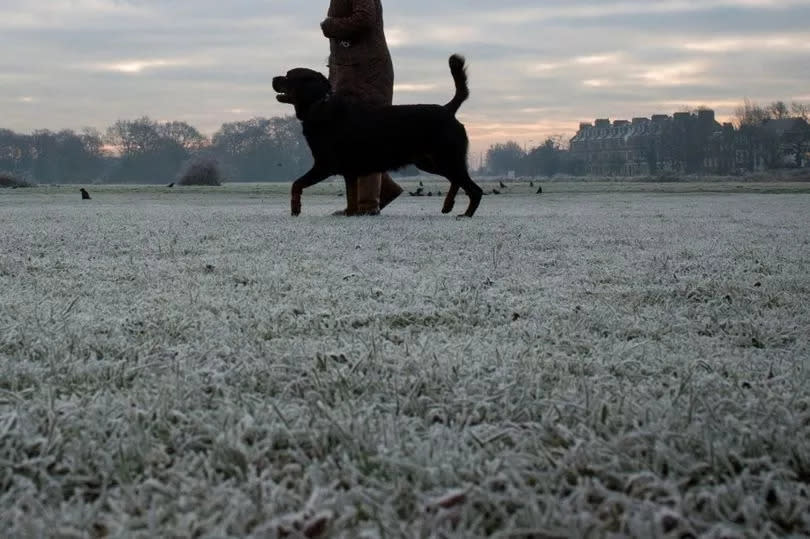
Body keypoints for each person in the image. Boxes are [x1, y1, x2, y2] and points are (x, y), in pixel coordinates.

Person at [321, 0, 403, 215]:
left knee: (367, 138)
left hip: (368, 73)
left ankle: (367, 205)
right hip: (351, 71)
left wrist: (330, 26)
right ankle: (380, 192)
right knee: (350, 139)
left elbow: (365, 19)